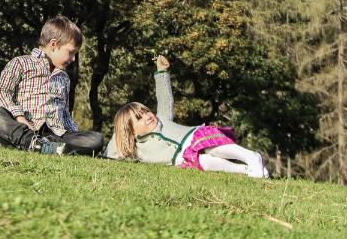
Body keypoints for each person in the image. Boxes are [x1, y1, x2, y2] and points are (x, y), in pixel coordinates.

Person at [104, 55, 269, 177]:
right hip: (183, 159)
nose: (147, 116)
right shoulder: (137, 151)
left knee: (209, 146)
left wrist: (161, 72)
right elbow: (112, 152)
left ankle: (251, 157)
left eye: (146, 111)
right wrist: (119, 130)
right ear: (131, 131)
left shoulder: (162, 118)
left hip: (194, 137)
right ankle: (245, 170)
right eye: (139, 118)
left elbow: (165, 98)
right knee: (203, 161)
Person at [0, 16, 104, 156]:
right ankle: (30, 143)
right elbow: (0, 92)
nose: (73, 59)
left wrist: (76, 135)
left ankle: (49, 147)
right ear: (53, 44)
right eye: (71, 52)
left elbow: (64, 113)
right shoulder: (21, 63)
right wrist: (19, 117)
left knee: (96, 139)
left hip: (55, 135)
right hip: (24, 128)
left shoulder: (64, 77)